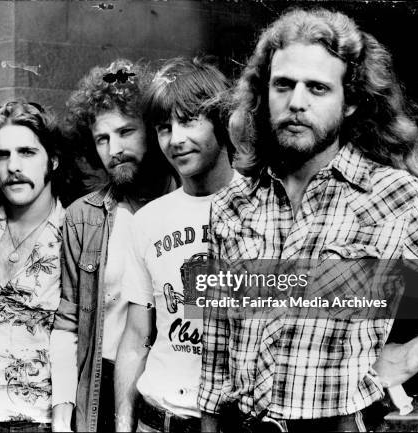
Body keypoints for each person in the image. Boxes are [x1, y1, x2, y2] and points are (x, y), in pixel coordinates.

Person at [199, 8, 418, 432]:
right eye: (283, 85)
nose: (296, 102)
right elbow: (216, 350)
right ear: (263, 94)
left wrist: (408, 356)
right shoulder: (232, 205)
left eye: (318, 88)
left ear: (351, 103)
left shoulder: (395, 197)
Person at [49, 59, 177, 432]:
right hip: (102, 386)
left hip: (173, 381)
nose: (114, 149)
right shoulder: (83, 218)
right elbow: (68, 323)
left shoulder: (192, 207)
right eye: (102, 139)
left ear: (152, 133)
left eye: (126, 132)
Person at [114, 57, 233, 432]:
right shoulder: (149, 220)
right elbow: (135, 337)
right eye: (165, 127)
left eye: (189, 120)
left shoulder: (265, 207)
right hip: (157, 419)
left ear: (222, 121)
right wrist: (123, 422)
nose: (176, 139)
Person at [0, 100, 80, 432]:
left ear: (52, 159)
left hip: (44, 420)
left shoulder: (78, 232)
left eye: (27, 152)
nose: (13, 166)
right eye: (2, 155)